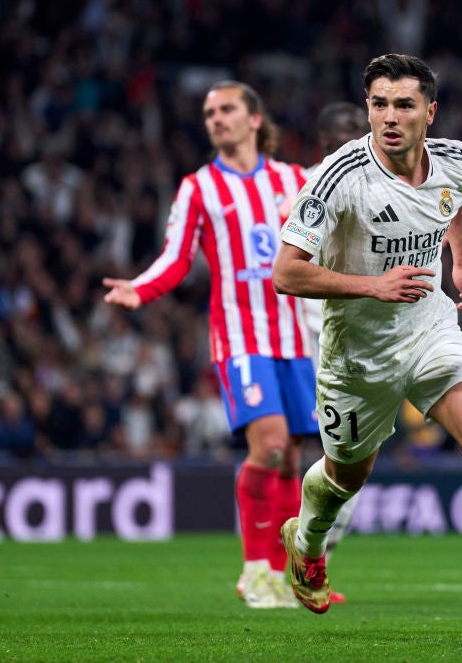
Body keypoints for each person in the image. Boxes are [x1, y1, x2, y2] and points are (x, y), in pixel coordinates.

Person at [272, 53, 462, 626]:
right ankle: (306, 543)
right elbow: (285, 272)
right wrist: (372, 285)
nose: (389, 117)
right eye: (379, 105)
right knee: (346, 475)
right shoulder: (337, 178)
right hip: (357, 353)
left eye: (404, 105)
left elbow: (453, 200)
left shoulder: (458, 160)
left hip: (428, 325)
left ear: (431, 111)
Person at [102, 81, 316, 610]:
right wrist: (140, 287)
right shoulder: (198, 188)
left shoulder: (296, 180)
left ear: (254, 120)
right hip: (241, 338)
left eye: (225, 110)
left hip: (297, 338)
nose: (215, 119)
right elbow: (176, 257)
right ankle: (255, 569)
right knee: (266, 446)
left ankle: (287, 572)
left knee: (291, 459)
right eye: (208, 113)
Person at [303, 102, 371, 582]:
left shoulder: (379, 178)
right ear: (324, 138)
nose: (356, 135)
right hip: (311, 342)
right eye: (345, 129)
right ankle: (297, 554)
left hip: (366, 339)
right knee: (317, 450)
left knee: (351, 455)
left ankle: (316, 549)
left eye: (358, 127)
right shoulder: (306, 185)